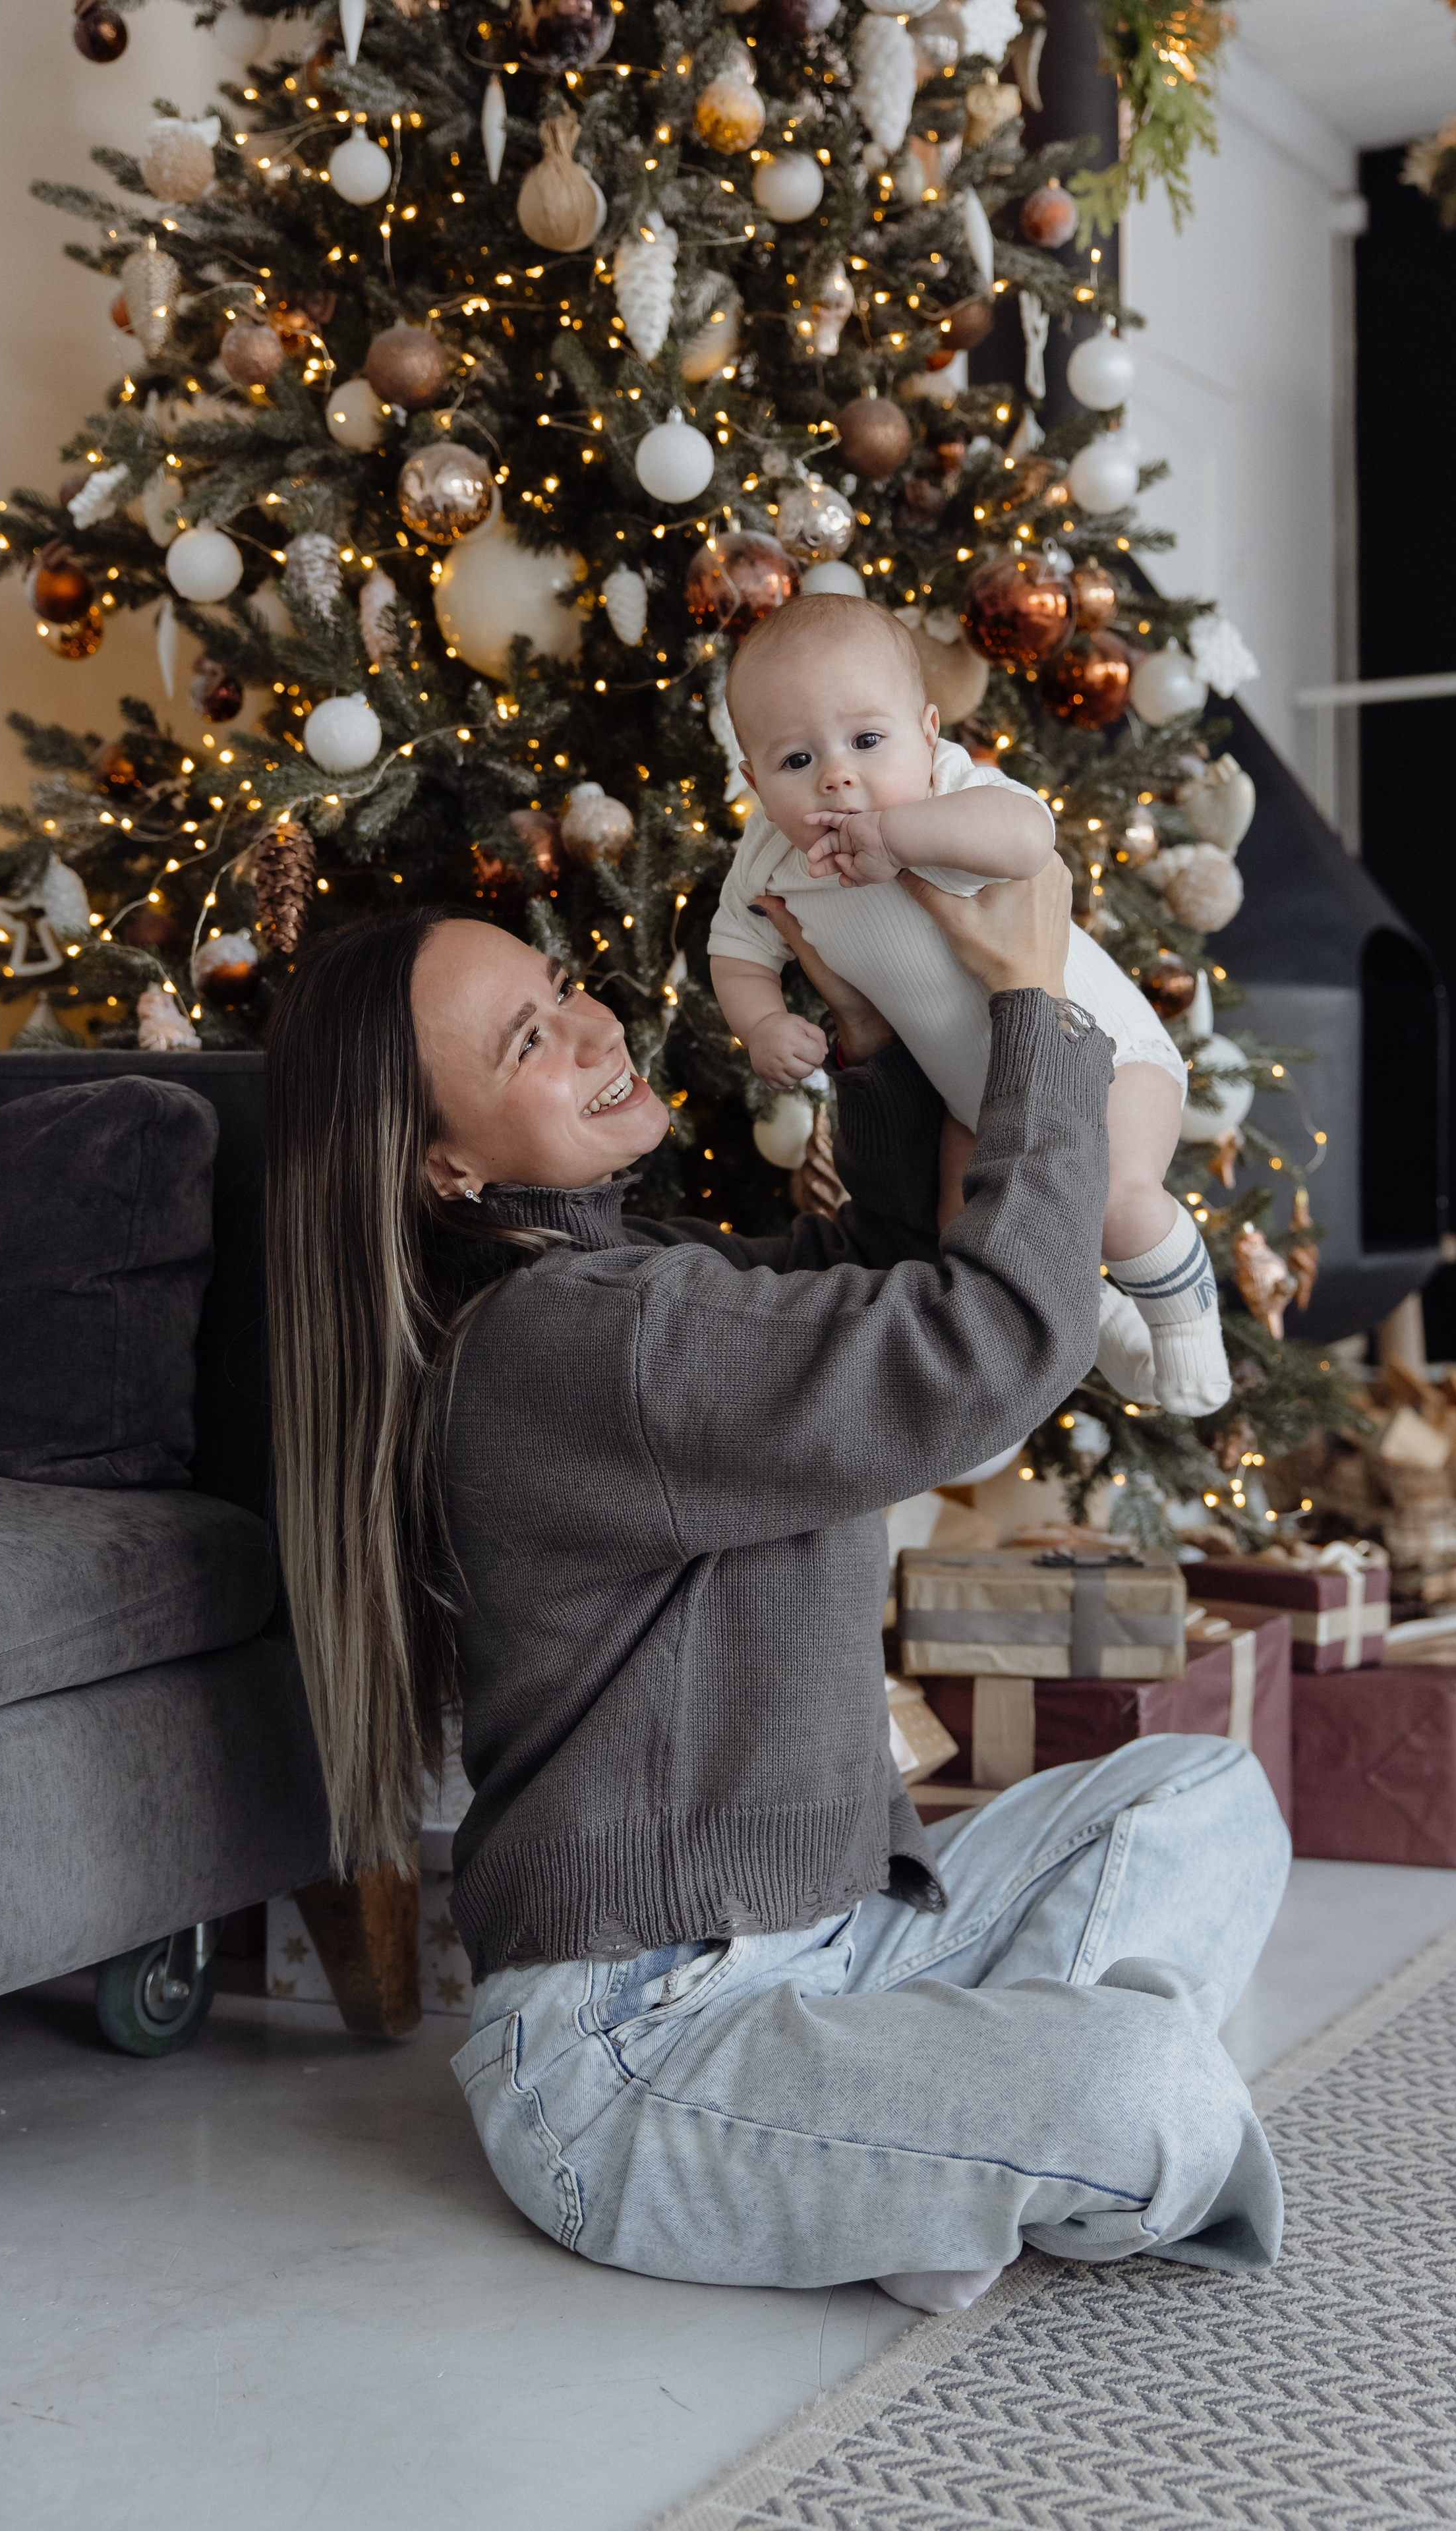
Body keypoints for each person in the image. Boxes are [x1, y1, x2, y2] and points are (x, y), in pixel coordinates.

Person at [262, 850, 1288, 2316]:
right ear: (446, 1165)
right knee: (1156, 2095)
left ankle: (925, 2143)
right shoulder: (572, 1340)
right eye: (527, 1042)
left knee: (1204, 1802)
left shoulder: (629, 1278)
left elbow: (863, 1274)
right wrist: (1031, 1009)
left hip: (832, 1934)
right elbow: (970, 1349)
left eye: (558, 991)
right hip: (634, 2050)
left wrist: (867, 1039)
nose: (594, 1026)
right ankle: (967, 2130)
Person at [708, 592, 1231, 1418]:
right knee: (979, 1245)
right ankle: (1106, 1331)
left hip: (1100, 1051)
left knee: (1110, 1199)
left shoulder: (949, 790)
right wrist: (763, 1020)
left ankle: (1185, 1316)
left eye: (867, 741)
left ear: (926, 732)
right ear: (752, 781)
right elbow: (736, 950)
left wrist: (898, 839)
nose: (837, 774)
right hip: (974, 1102)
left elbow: (1029, 839)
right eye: (795, 762)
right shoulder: (770, 856)